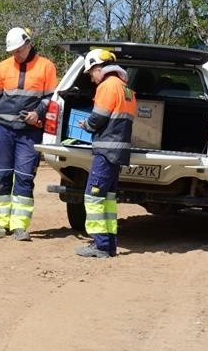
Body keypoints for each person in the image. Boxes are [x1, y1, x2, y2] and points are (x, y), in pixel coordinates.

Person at [0, 27, 57, 241]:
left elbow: (50, 98)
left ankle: (19, 226)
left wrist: (37, 113)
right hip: (4, 130)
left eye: (18, 50)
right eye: (12, 51)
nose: (15, 54)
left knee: (24, 177)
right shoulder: (2, 67)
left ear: (28, 44)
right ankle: (1, 224)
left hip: (30, 132)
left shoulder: (46, 66)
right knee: (3, 175)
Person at [75, 48, 136, 258]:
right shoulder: (126, 89)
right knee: (108, 199)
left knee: (93, 197)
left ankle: (99, 245)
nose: (92, 79)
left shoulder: (107, 86)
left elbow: (98, 118)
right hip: (117, 153)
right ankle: (109, 245)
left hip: (106, 151)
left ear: (98, 68)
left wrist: (86, 125)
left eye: (91, 73)